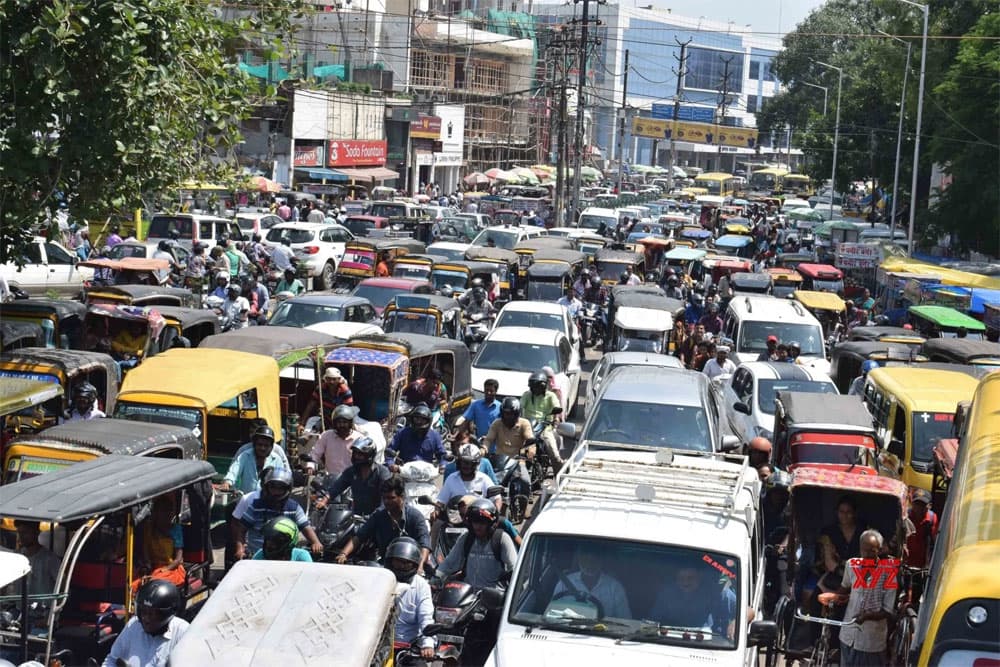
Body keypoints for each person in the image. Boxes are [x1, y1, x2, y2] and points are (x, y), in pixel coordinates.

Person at [832, 529, 896, 667]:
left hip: (871, 642)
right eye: (864, 550)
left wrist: (867, 616)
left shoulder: (889, 573)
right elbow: (845, 587)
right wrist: (833, 598)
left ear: (879, 550)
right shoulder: (852, 565)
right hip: (848, 636)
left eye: (872, 551)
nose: (867, 555)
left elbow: (887, 611)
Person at [337, 476, 431, 568]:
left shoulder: (415, 517)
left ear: (402, 497)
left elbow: (425, 545)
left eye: (391, 498)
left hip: (409, 567)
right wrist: (343, 554)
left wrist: (420, 567)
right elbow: (359, 536)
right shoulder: (379, 515)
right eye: (384, 498)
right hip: (385, 566)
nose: (386, 501)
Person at [230, 467, 323, 560]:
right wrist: (240, 549)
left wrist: (315, 542)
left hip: (285, 556)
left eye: (280, 488)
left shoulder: (294, 508)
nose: (275, 491)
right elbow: (241, 530)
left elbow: (306, 527)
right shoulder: (255, 506)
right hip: (257, 556)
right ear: (266, 487)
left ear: (287, 488)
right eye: (272, 487)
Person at [102, 580, 188, 667]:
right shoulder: (134, 625)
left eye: (152, 614)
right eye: (143, 611)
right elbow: (112, 660)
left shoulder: (183, 632)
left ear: (167, 613)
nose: (146, 618)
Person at [650, 561, 737, 637]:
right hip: (672, 640)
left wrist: (736, 622)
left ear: (699, 577)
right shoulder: (667, 593)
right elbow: (653, 621)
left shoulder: (717, 593)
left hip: (709, 644)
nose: (685, 582)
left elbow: (748, 611)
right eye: (681, 578)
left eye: (690, 578)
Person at [550, 544, 632, 619]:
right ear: (578, 559)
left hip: (602, 633)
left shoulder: (615, 588)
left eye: (594, 559)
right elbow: (552, 615)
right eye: (585, 559)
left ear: (601, 560)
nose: (589, 564)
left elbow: (625, 620)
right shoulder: (563, 583)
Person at [387, 537, 436, 659]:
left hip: (408, 648)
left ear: (414, 564)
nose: (401, 566)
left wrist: (427, 645)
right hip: (378, 647)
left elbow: (426, 617)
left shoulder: (421, 585)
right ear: (390, 561)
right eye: (398, 561)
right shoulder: (381, 580)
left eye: (406, 563)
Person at [321, 437, 392, 516]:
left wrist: (376, 515)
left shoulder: (382, 473)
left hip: (378, 518)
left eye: (360, 454)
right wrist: (324, 500)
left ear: (369, 455)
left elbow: (387, 499)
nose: (356, 456)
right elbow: (336, 487)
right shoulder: (351, 471)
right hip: (356, 517)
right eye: (355, 453)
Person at [134, 495, 185, 592]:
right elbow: (146, 554)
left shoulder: (176, 530)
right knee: (136, 583)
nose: (167, 514)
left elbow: (178, 559)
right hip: (153, 568)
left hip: (171, 570)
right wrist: (147, 567)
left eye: (169, 511)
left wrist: (165, 569)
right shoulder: (149, 530)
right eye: (163, 511)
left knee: (153, 582)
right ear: (156, 513)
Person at [7, 521, 61, 610]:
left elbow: (61, 588)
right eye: (19, 533)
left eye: (25, 533)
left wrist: (50, 616)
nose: (21, 537)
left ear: (36, 533)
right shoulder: (16, 556)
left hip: (41, 614)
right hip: (19, 611)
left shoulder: (50, 559)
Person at [220, 425, 286, 495]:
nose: (262, 448)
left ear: (271, 446)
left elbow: (282, 480)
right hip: (246, 500)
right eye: (260, 445)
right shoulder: (245, 455)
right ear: (254, 444)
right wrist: (227, 482)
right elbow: (234, 471)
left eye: (266, 445)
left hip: (268, 501)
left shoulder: (277, 460)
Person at [520, 371, 564, 468]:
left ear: (543, 386)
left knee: (555, 455)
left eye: (537, 387)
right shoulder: (527, 395)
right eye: (533, 386)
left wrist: (556, 418)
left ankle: (559, 477)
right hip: (528, 427)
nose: (535, 389)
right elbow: (520, 405)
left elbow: (557, 406)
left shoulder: (551, 396)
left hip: (545, 429)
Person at [307, 404, 365, 477]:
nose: (341, 425)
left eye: (345, 422)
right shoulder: (326, 436)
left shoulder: (359, 439)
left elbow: (364, 462)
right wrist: (310, 466)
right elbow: (315, 453)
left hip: (352, 481)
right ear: (334, 423)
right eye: (339, 422)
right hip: (330, 480)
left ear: (350, 423)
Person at [435, 444, 497, 510]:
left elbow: (497, 498)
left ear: (476, 464)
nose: (466, 466)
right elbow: (441, 501)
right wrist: (436, 511)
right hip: (455, 518)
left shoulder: (484, 479)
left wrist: (496, 513)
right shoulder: (451, 479)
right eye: (464, 462)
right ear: (459, 462)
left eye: (470, 463)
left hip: (479, 518)